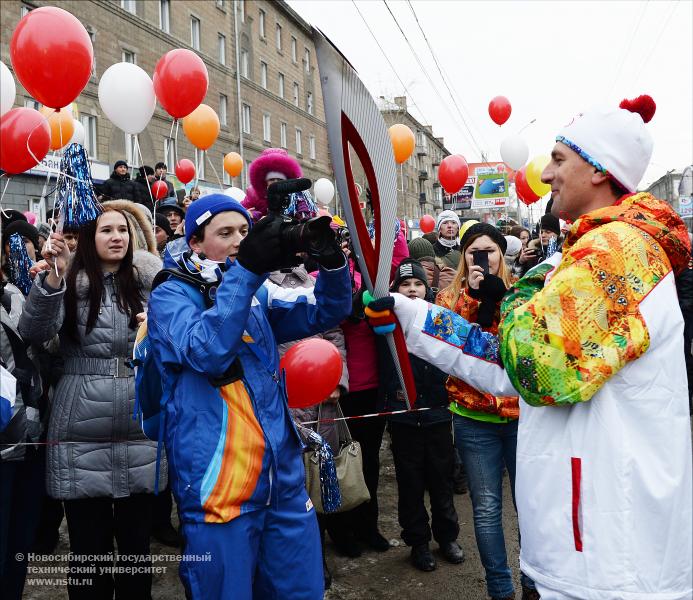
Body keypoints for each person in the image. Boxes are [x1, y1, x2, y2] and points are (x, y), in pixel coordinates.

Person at [366, 96, 693, 600]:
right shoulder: (583, 254)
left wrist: (515, 292)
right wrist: (409, 312)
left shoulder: (618, 253)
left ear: (601, 170)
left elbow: (535, 366)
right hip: (585, 545)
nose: (547, 173)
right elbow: (506, 364)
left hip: (613, 560)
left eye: (560, 159)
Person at [146, 194, 352, 599]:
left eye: (245, 231)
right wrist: (247, 270)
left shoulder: (252, 290)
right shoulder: (169, 296)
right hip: (221, 486)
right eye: (225, 233)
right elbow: (208, 351)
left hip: (281, 477)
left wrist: (331, 264)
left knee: (301, 591)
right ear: (195, 243)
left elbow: (324, 313)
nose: (240, 240)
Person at [19, 207, 165, 600]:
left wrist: (156, 329)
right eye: (107, 230)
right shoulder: (69, 282)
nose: (117, 236)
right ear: (89, 237)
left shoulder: (154, 285)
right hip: (81, 426)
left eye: (124, 230)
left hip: (140, 425)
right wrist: (54, 277)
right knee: (89, 550)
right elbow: (33, 331)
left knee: (136, 551)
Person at [432, 223, 534, 600]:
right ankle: (500, 588)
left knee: (530, 505)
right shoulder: (449, 297)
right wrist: (473, 297)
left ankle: (532, 583)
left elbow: (524, 343)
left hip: (520, 417)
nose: (483, 258)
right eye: (475, 251)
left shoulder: (520, 293)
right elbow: (451, 342)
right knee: (487, 508)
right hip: (473, 417)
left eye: (489, 250)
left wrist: (499, 297)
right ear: (464, 257)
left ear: (501, 254)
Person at [378, 258, 463, 572]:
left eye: (417, 284)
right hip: (403, 417)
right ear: (396, 290)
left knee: (441, 479)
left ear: (426, 289)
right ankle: (418, 542)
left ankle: (447, 537)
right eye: (405, 285)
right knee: (410, 483)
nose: (412, 290)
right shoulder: (385, 323)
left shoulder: (438, 317)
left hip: (438, 413)